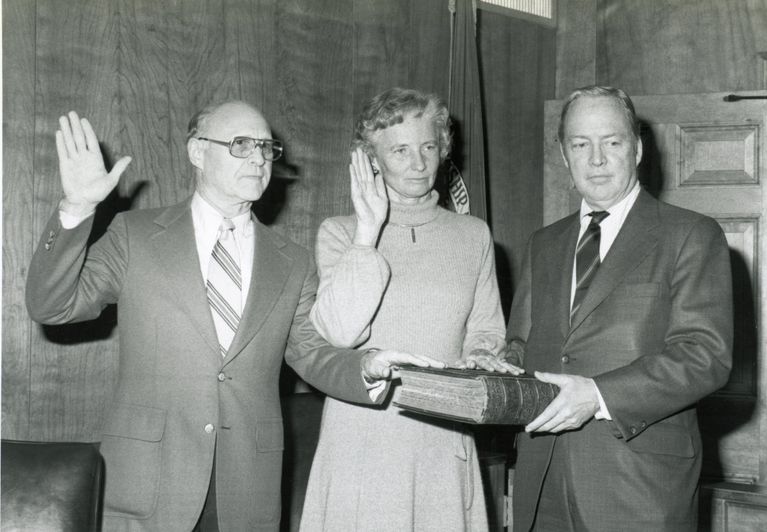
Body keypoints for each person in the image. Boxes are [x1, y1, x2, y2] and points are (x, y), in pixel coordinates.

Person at [25, 101, 442, 532]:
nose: (259, 158)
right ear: (197, 153)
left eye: (266, 148)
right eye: (242, 144)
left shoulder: (291, 261)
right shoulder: (136, 235)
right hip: (147, 486)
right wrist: (76, 209)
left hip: (246, 493)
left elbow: (311, 353)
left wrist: (366, 366)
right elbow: (52, 306)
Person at [505, 85, 733, 531]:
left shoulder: (690, 235)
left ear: (638, 148)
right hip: (543, 481)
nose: (596, 159)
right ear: (563, 154)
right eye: (580, 144)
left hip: (640, 490)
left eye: (612, 142)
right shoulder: (544, 243)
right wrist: (493, 366)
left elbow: (705, 356)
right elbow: (521, 345)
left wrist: (597, 395)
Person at [299, 87, 518, 532]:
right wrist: (367, 232)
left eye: (428, 147)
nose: (418, 164)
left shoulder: (473, 235)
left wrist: (481, 356)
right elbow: (339, 333)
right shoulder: (340, 233)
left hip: (442, 438)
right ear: (371, 160)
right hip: (362, 440)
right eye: (399, 150)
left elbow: (486, 329)